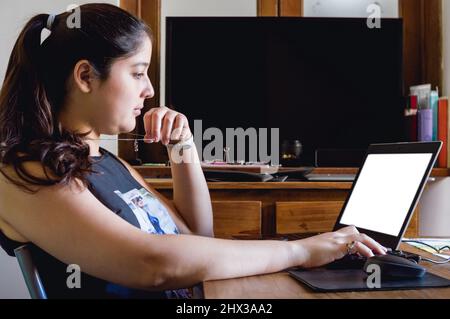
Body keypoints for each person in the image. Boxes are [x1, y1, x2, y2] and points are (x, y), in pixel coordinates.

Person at [0, 3, 386, 299]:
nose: (149, 90)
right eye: (137, 72)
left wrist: (183, 149)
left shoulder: (107, 161)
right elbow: (155, 264)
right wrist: (301, 251)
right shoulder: (24, 172)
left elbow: (195, 239)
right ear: (85, 76)